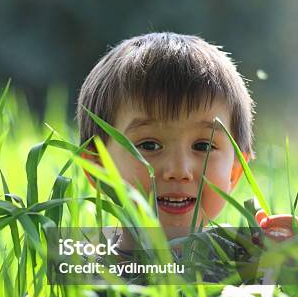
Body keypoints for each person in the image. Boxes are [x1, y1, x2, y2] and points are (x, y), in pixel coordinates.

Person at [76, 32, 296, 281]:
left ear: (235, 171)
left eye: (203, 146)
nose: (179, 170)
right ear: (98, 166)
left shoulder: (251, 262)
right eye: (149, 144)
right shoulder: (79, 272)